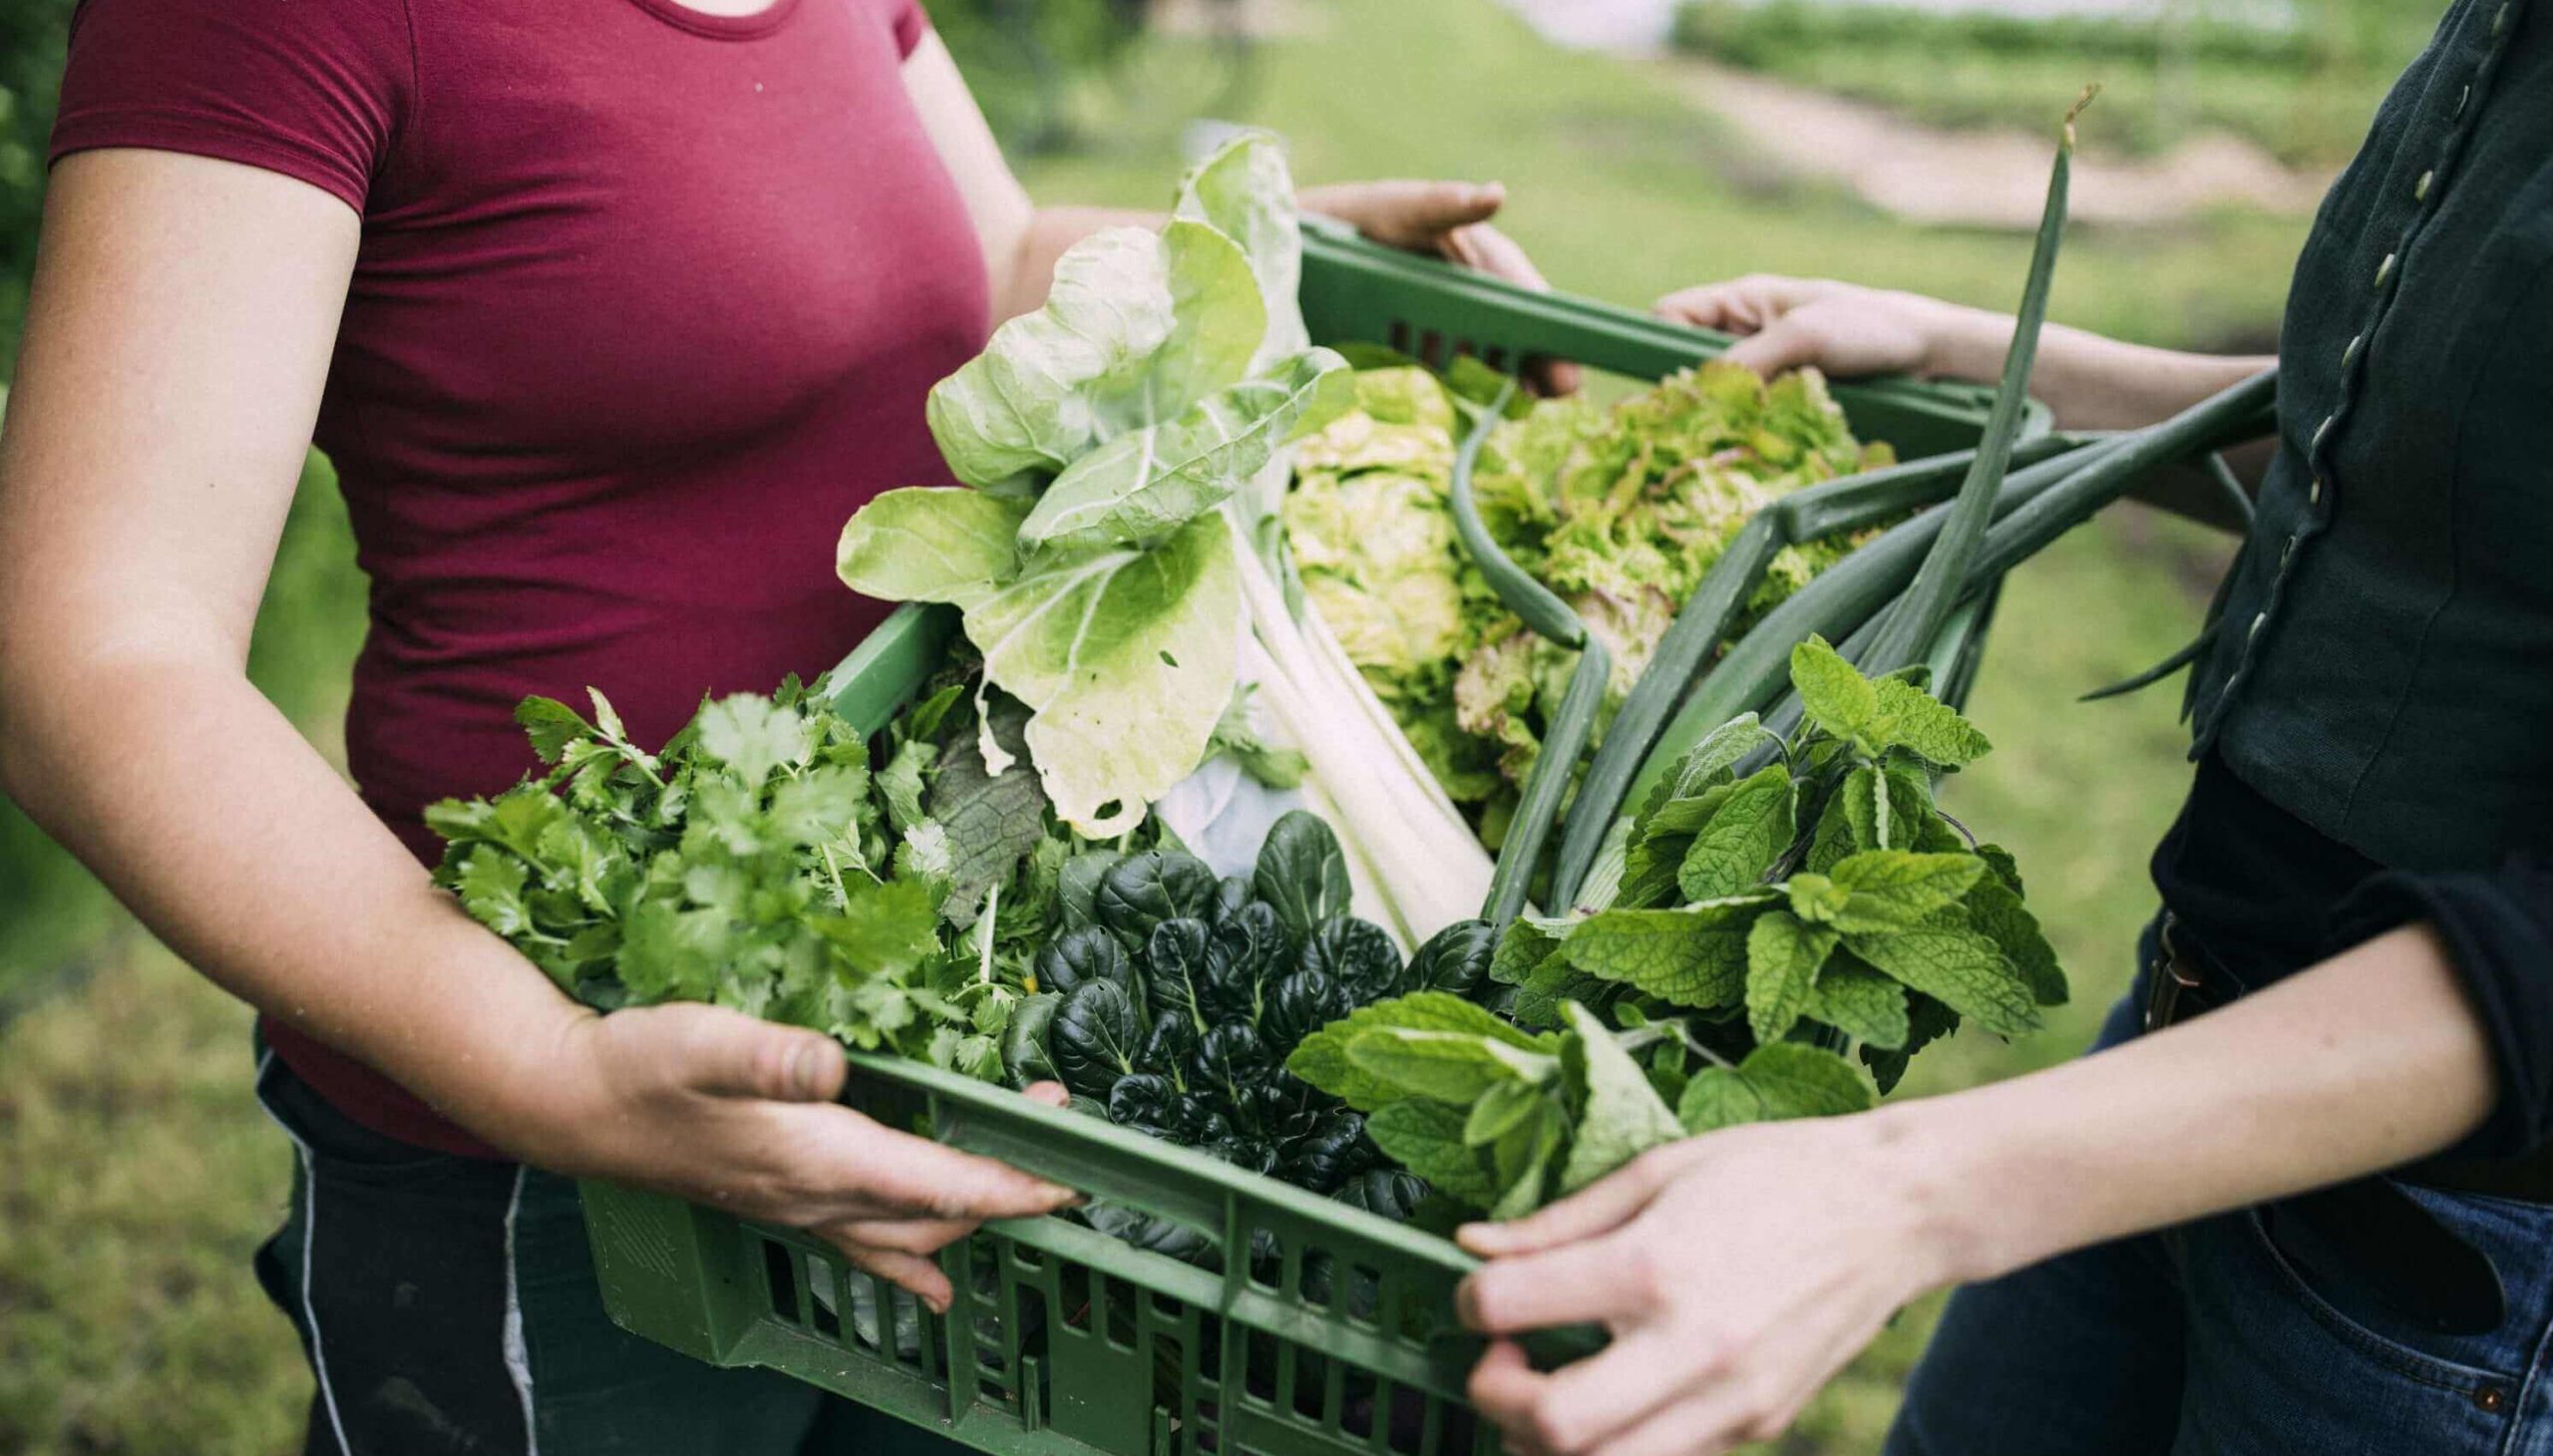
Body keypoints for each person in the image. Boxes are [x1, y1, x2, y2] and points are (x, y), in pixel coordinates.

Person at [0, 0, 1560, 1450]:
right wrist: (544, 1065)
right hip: (546, 1124)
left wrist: (1265, 261)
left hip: (918, 1034)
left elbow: (992, 257)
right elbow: (91, 658)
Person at [1455, 2, 2553, 1451]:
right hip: (2179, 1064)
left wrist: (1906, 1190)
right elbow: (2383, 452)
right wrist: (1975, 351)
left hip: (2439, 1252)